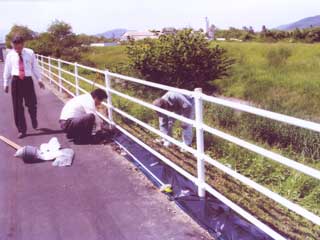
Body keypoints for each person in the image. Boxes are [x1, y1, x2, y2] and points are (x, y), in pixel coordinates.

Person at [3, 35, 45, 138]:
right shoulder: (10, 55)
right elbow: (7, 69)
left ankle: (33, 119)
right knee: (17, 107)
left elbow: (35, 67)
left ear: (23, 44)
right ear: (13, 45)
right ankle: (22, 130)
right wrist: (6, 83)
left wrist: (39, 79)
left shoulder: (30, 53)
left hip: (27, 81)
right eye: (15, 47)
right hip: (16, 80)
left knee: (31, 104)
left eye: (19, 47)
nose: (17, 49)